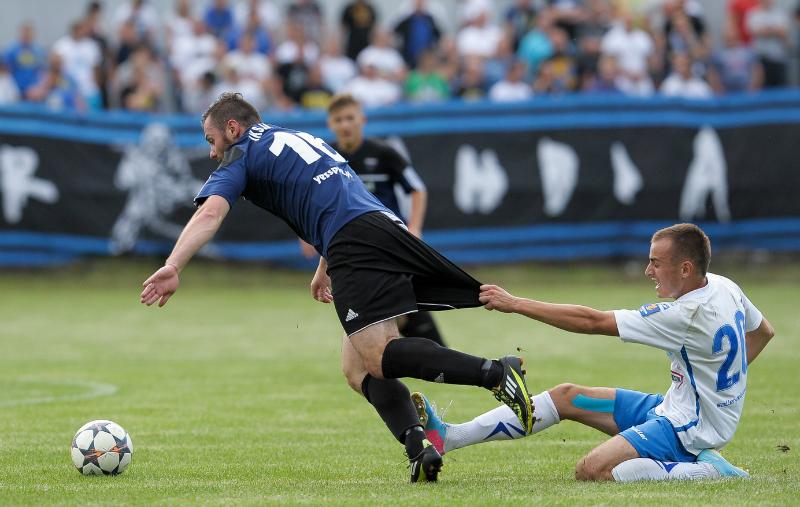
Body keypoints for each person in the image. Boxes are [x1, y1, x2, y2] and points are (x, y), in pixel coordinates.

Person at [139, 92, 534, 482]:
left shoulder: (242, 153)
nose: (212, 152)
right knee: (356, 367)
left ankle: (496, 373)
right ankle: (420, 447)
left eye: (211, 140)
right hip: (379, 227)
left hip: (354, 241)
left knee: (378, 356)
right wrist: (324, 265)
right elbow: (339, 194)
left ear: (232, 128)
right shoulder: (293, 137)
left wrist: (173, 265)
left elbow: (210, 213)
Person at [413, 223, 775, 482]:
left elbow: (592, 321)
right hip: (676, 409)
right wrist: (723, 384)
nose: (648, 270)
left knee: (593, 470)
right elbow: (763, 332)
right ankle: (450, 436)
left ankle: (707, 470)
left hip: (688, 430)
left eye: (655, 262)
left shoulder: (684, 314)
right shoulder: (725, 286)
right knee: (566, 396)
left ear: (685, 268)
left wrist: (516, 303)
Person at [312, 93, 446, 347]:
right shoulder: (327, 158)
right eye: (339, 120)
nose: (345, 125)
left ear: (362, 120)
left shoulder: (384, 153)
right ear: (330, 124)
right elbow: (317, 200)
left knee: (391, 311)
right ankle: (436, 357)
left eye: (350, 118)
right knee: (390, 312)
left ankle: (437, 357)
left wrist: (414, 228)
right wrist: (309, 236)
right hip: (350, 247)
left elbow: (417, 188)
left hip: (388, 242)